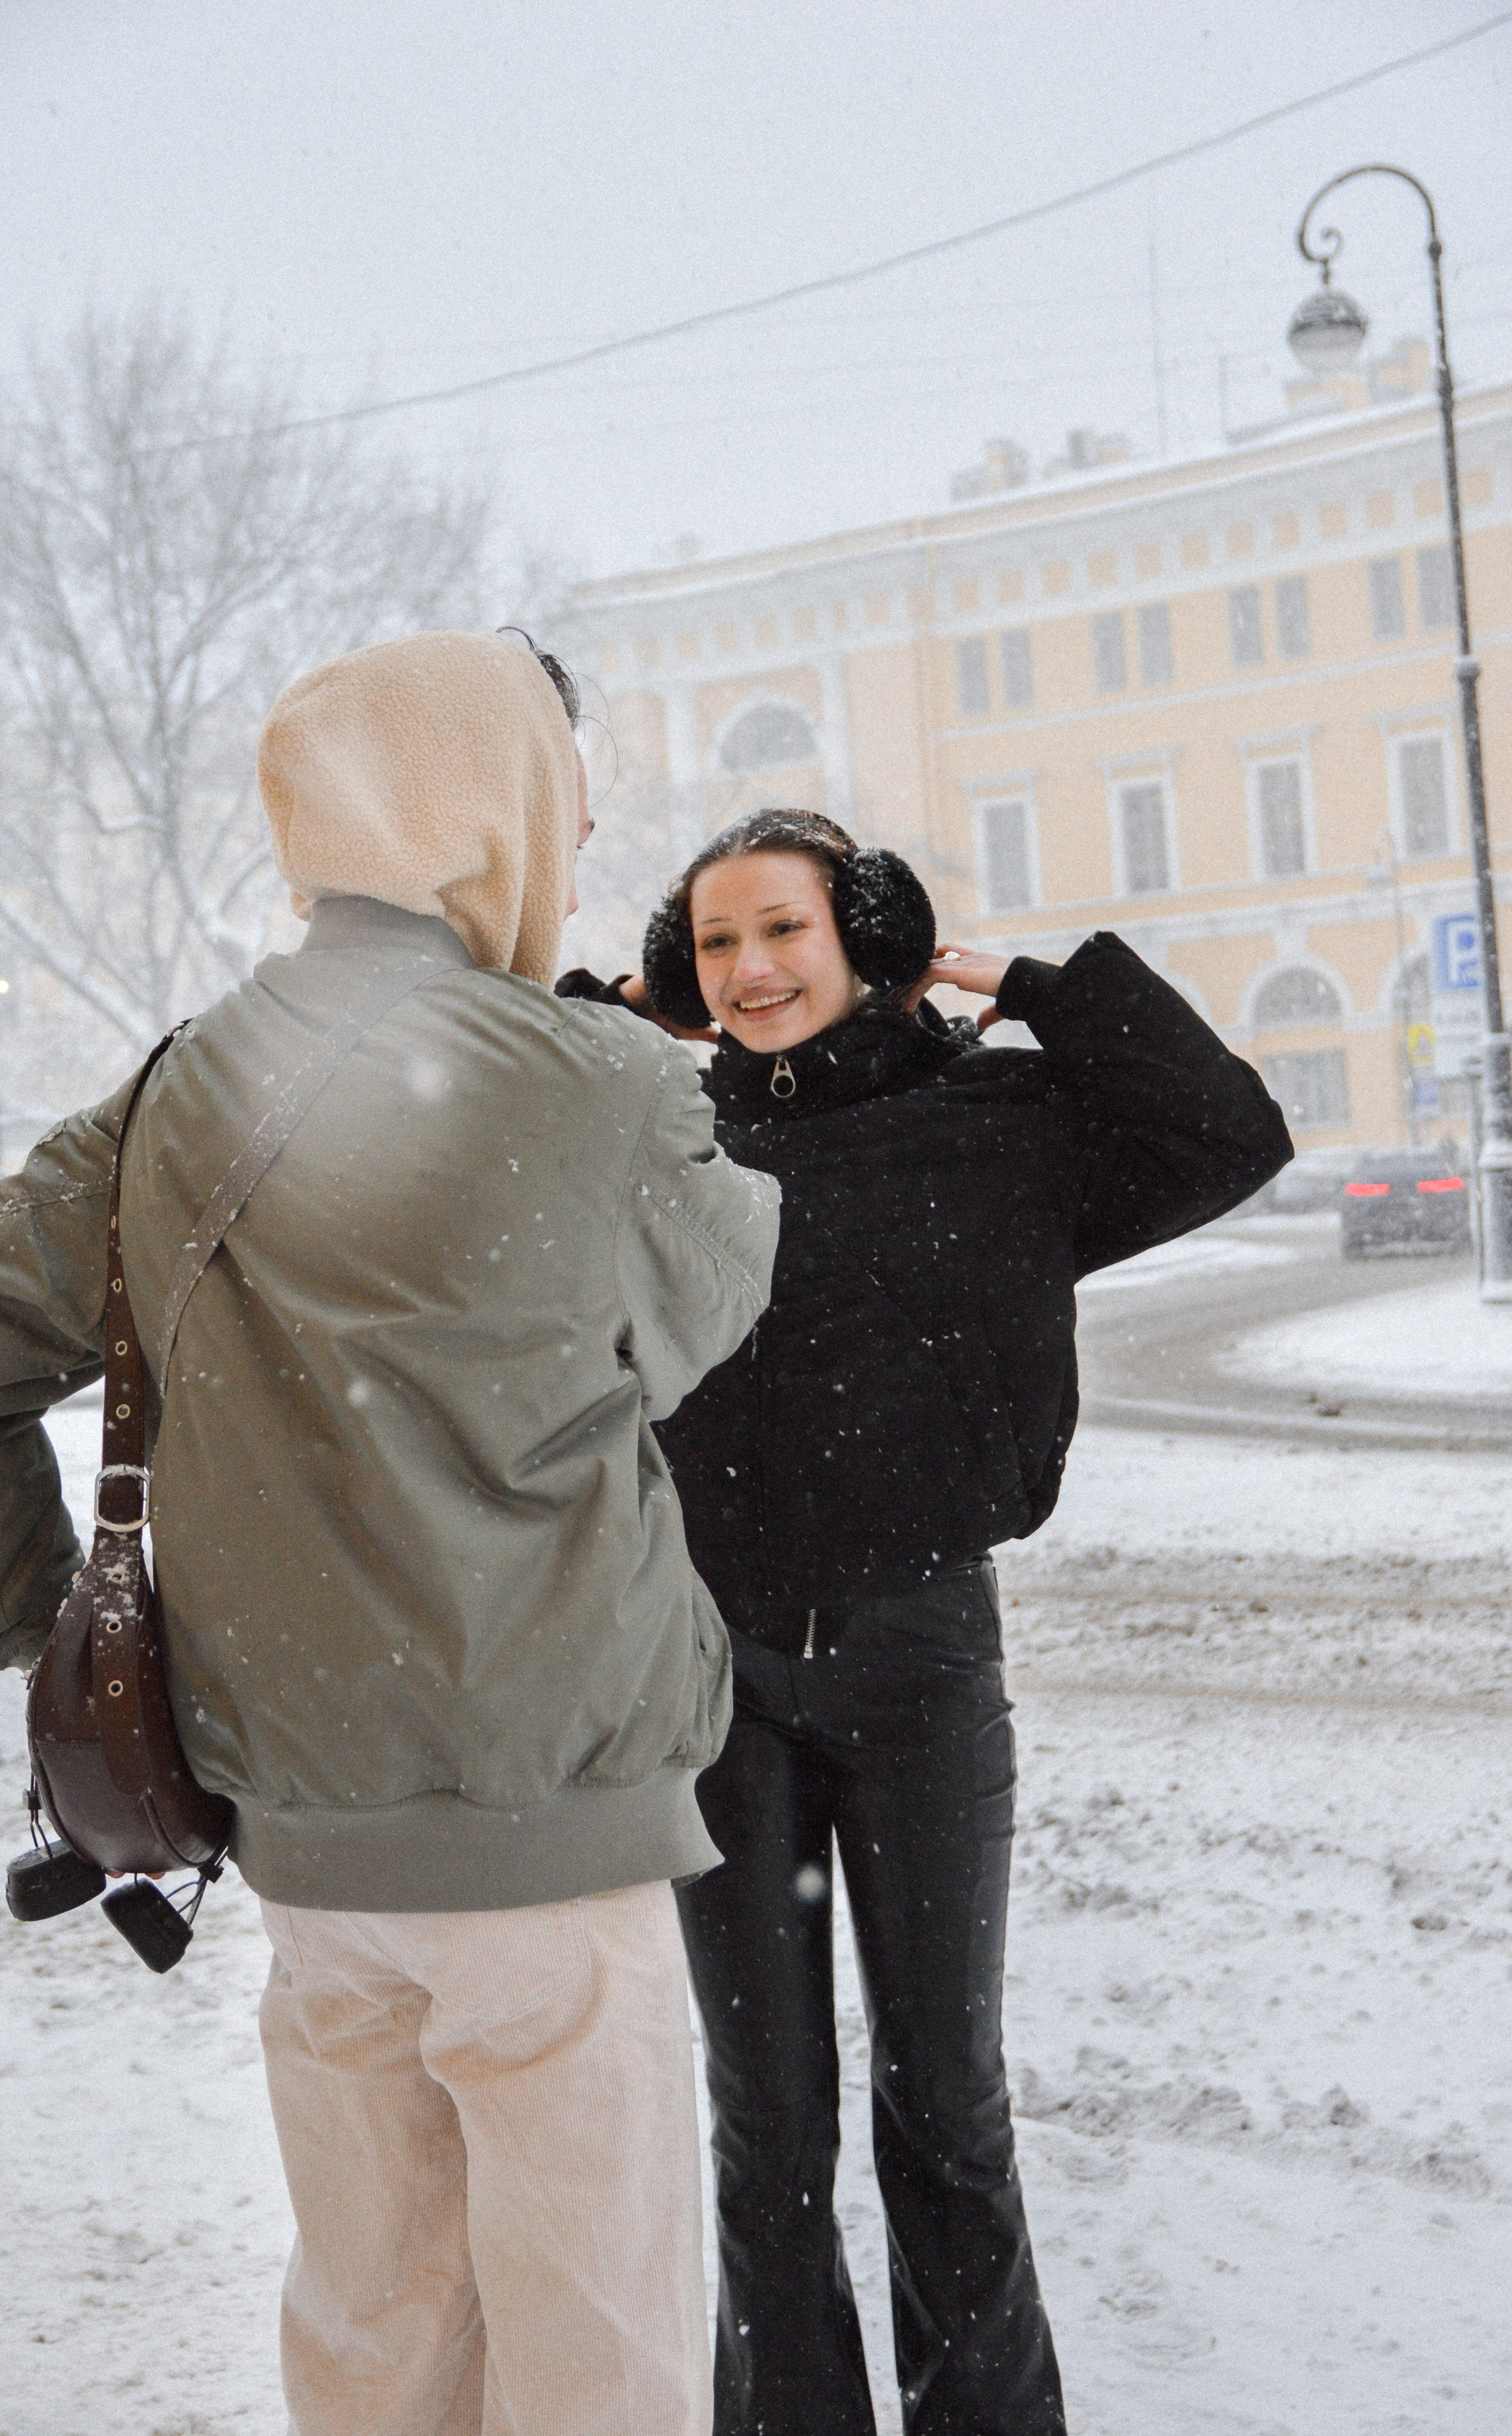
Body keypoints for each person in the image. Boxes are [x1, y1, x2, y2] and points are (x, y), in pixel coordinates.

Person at [0, 631, 779, 2436]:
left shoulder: (174, 1093)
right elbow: (706, 1318)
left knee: (382, 2333)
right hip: (550, 1832)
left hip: (310, 1850)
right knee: (602, 2354)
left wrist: (51, 1622)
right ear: (501, 819)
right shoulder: (595, 1081)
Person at [558, 807, 1293, 2436]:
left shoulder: (996, 1122)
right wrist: (599, 1020)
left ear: (866, 938)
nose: (748, 968)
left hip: (925, 1661)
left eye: (785, 930)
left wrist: (1043, 982)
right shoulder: (669, 1148)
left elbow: (1232, 1135)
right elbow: (500, 1178)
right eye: (718, 942)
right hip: (717, 1680)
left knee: (948, 2103)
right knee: (767, 2128)